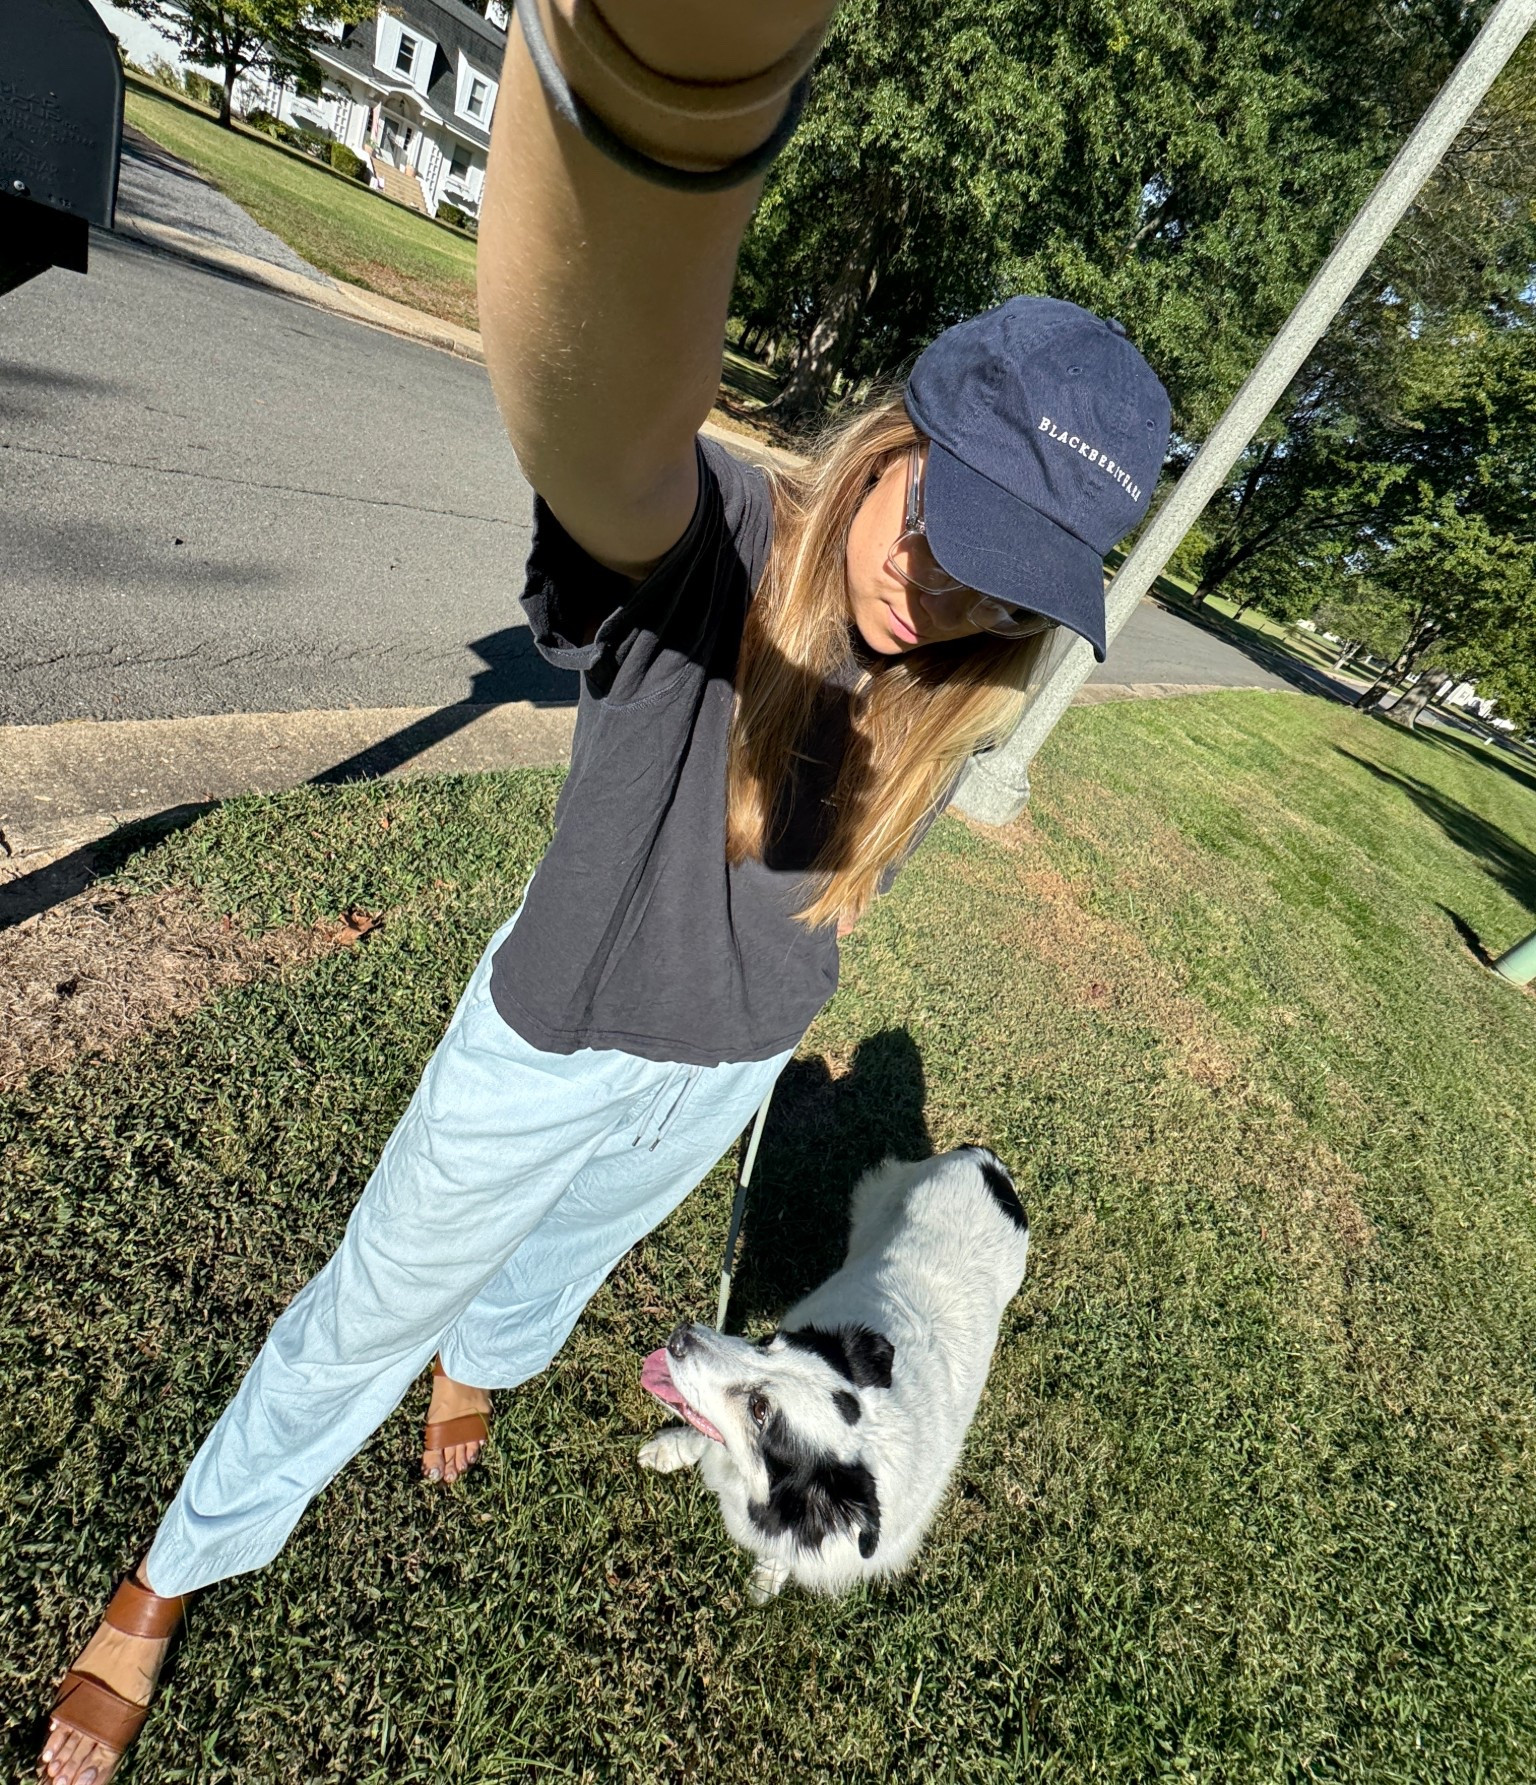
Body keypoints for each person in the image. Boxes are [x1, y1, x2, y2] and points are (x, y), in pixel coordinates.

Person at [39, 2, 1170, 1779]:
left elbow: (839, 855)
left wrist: (780, 1000)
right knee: (366, 1305)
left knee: (557, 1273)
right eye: (946, 531)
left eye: (1006, 584)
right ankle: (168, 1576)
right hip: (553, 1032)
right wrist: (661, 96)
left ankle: (485, 1363)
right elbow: (598, 417)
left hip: (716, 1076)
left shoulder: (950, 688)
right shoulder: (721, 531)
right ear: (907, 432)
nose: (944, 596)